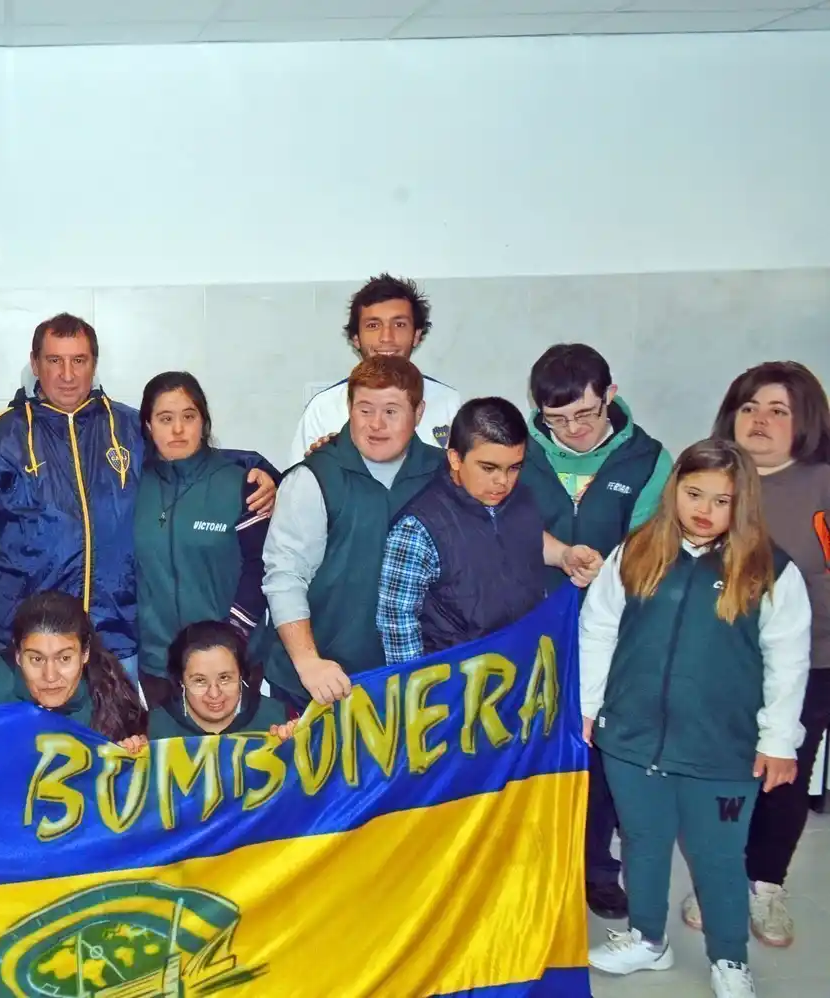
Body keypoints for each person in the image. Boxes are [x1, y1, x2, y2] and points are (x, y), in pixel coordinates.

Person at [580, 439, 811, 998]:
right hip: (632, 739)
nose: (704, 509)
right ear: (674, 490)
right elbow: (599, 628)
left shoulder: (771, 570)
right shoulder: (635, 551)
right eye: (693, 494)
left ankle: (730, 958)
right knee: (643, 842)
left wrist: (779, 740)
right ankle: (647, 938)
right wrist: (589, 708)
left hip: (721, 750)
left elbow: (788, 659)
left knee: (717, 856)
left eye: (721, 500)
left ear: (743, 505)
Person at [0, 312, 275, 678]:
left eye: (79, 360)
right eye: (54, 360)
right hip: (35, 642)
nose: (67, 374)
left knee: (115, 737)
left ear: (94, 363)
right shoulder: (7, 436)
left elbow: (191, 454)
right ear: (35, 364)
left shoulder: (125, 427)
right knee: (38, 738)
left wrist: (266, 472)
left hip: (116, 637)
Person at [676, 361, 830, 948]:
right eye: (749, 408)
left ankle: (766, 884)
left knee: (782, 776)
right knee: (724, 775)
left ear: (805, 422)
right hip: (721, 664)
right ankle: (720, 878)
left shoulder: (820, 484)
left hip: (810, 662)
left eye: (778, 411)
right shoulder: (711, 479)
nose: (760, 421)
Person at [525, 343, 672, 920]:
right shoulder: (523, 450)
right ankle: (535, 868)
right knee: (533, 752)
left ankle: (594, 869)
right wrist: (559, 554)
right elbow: (499, 525)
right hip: (529, 628)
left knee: (600, 756)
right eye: (556, 420)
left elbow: (652, 548)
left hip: (615, 634)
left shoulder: (648, 459)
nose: (574, 431)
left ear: (610, 395)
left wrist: (606, 570)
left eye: (585, 414)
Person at [260, 356, 446, 709]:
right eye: (364, 410)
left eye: (391, 411)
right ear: (349, 408)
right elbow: (285, 577)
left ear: (419, 412)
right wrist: (308, 663)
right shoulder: (314, 477)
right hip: (320, 686)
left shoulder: (446, 474)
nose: (376, 424)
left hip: (420, 686)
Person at [377, 396, 601, 665]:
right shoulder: (417, 528)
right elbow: (396, 621)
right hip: (454, 686)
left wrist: (564, 555)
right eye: (488, 468)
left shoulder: (520, 497)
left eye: (514, 468)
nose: (502, 481)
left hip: (523, 674)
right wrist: (417, 692)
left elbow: (523, 536)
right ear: (455, 458)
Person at [134, 371, 275, 706]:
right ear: (148, 426)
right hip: (159, 668)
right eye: (165, 419)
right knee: (167, 759)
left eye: (189, 416)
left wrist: (229, 643)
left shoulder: (242, 485)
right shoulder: (130, 488)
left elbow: (262, 568)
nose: (178, 429)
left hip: (231, 666)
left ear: (204, 422)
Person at [0, 590, 147, 750]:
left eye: (64, 658)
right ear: (17, 655)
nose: (50, 676)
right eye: (36, 659)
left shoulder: (112, 695)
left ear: (85, 654)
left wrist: (135, 753)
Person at [291, 274, 461, 457]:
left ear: (417, 335)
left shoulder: (449, 403)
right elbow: (296, 482)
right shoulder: (323, 408)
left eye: (399, 324)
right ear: (356, 338)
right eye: (373, 325)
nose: (386, 337)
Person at [147, 621, 297, 739]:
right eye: (200, 681)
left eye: (225, 678)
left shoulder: (279, 717)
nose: (214, 694)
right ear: (181, 681)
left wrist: (297, 747)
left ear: (241, 674)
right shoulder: (153, 730)